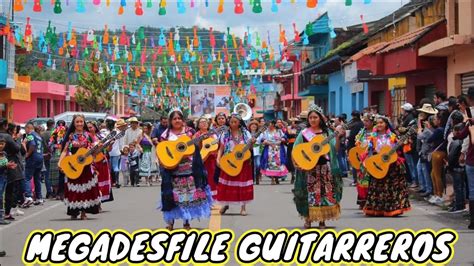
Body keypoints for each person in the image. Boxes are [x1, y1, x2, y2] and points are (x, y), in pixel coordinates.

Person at [159, 108, 212, 230]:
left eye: (179, 118)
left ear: (183, 120)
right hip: (171, 169)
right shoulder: (165, 135)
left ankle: (186, 222)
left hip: (188, 168)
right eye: (174, 119)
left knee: (186, 196)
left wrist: (200, 141)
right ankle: (170, 222)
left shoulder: (190, 132)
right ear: (170, 120)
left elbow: (196, 148)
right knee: (171, 195)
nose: (177, 121)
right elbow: (161, 151)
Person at [292, 104, 343, 229]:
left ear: (320, 118)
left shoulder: (327, 133)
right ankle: (308, 219)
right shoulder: (304, 133)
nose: (313, 120)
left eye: (315, 117)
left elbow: (335, 150)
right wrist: (297, 163)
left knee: (325, 193)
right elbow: (296, 150)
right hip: (309, 169)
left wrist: (337, 137)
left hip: (324, 168)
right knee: (309, 194)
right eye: (310, 118)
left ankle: (322, 220)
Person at [362, 115, 411, 217]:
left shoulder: (393, 136)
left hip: (392, 165)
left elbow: (399, 149)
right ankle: (377, 209)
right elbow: (369, 151)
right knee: (377, 188)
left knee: (393, 187)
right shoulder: (373, 137)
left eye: (381, 123)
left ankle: (394, 209)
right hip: (378, 165)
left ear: (386, 124)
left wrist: (404, 143)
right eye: (377, 123)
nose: (379, 125)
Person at [58, 114, 101, 220]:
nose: (79, 124)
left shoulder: (89, 135)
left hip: (86, 167)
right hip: (73, 166)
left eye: (81, 121)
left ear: (84, 122)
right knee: (74, 190)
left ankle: (83, 212)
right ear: (74, 123)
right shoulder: (70, 136)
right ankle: (74, 211)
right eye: (77, 122)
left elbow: (96, 151)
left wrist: (99, 147)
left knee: (85, 190)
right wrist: (60, 163)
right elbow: (64, 151)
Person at [216, 113, 254, 216]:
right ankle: (225, 204)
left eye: (235, 122)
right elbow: (221, 149)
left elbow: (249, 149)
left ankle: (243, 207)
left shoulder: (246, 133)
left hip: (242, 162)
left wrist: (252, 143)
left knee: (242, 185)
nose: (233, 123)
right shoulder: (225, 134)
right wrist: (218, 159)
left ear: (239, 122)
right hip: (228, 162)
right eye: (231, 122)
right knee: (227, 185)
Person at [87, 121, 113, 204]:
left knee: (102, 181)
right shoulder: (85, 138)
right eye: (87, 127)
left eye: (91, 127)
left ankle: (100, 201)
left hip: (102, 161)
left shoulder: (100, 137)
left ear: (95, 127)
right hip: (91, 162)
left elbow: (108, 150)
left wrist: (111, 144)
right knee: (94, 182)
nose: (89, 129)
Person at [353, 113, 375, 209]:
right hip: (363, 160)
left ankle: (372, 201)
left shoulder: (376, 132)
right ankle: (363, 201)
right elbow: (357, 144)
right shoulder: (361, 132)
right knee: (362, 181)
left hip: (373, 159)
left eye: (367, 121)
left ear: (372, 122)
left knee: (372, 180)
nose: (365, 123)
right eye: (364, 121)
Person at [194, 117, 219, 199]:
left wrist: (212, 141)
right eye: (201, 122)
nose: (204, 123)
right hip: (200, 159)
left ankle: (213, 197)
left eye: (205, 122)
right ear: (198, 125)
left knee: (212, 177)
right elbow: (194, 146)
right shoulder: (196, 135)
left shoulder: (212, 134)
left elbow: (216, 143)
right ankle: (203, 197)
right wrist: (200, 140)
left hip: (211, 159)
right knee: (201, 178)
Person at [259, 120, 288, 185]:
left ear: (273, 124)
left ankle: (276, 178)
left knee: (278, 164)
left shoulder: (279, 131)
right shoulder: (265, 132)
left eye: (270, 124)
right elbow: (262, 139)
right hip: (269, 149)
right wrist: (266, 142)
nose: (269, 125)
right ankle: (272, 179)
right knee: (270, 164)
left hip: (278, 149)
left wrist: (282, 139)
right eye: (268, 124)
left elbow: (284, 137)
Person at [23, 122, 45, 206]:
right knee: (37, 178)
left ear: (28, 128)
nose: (25, 131)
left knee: (27, 177)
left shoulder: (30, 135)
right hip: (40, 158)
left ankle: (28, 197)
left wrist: (27, 154)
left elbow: (32, 145)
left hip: (33, 158)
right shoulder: (38, 136)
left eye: (25, 129)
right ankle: (39, 198)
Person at [0, 136, 17, 225]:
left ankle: (2, 217)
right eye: (0, 144)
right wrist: (6, 166)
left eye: (2, 144)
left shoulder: (5, 154)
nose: (1, 146)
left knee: (2, 197)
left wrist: (10, 166)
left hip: (4, 177)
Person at [347, 111, 364, 186]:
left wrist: (347, 136)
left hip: (353, 146)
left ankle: (355, 180)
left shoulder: (355, 124)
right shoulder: (362, 124)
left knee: (354, 163)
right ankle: (360, 179)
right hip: (361, 146)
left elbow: (352, 136)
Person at [41, 119, 55, 199]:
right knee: (52, 174)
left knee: (47, 174)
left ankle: (48, 191)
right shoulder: (54, 133)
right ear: (52, 124)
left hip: (45, 155)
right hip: (52, 155)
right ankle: (53, 191)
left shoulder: (43, 134)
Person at [249, 120, 262, 185]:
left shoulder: (260, 133)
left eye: (255, 125)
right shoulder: (247, 133)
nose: (254, 126)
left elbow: (263, 139)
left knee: (258, 165)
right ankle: (252, 179)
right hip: (250, 151)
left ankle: (257, 177)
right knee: (251, 166)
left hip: (257, 151)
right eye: (252, 124)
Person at [286, 118, 299, 184]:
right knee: (290, 160)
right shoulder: (288, 129)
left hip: (298, 145)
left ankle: (296, 175)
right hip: (291, 145)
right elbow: (286, 136)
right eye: (294, 122)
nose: (295, 123)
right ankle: (293, 174)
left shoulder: (300, 128)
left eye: (296, 122)